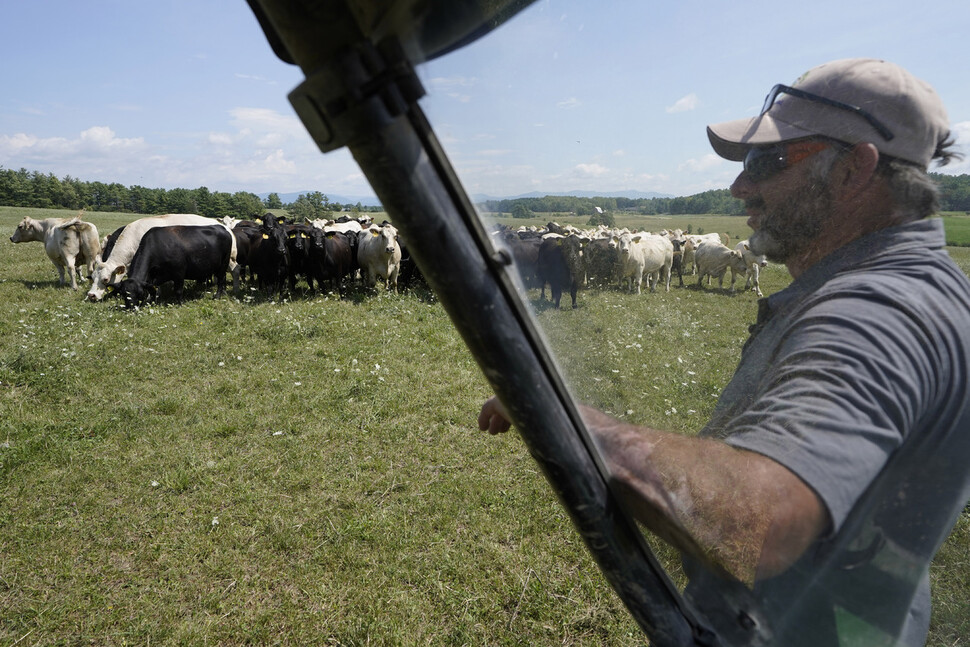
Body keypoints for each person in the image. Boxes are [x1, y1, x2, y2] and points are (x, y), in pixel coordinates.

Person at [479, 58, 970, 646]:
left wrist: (558, 415)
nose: (740, 186)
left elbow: (763, 525)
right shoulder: (931, 286)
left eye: (766, 161)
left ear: (854, 171)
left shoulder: (877, 314)